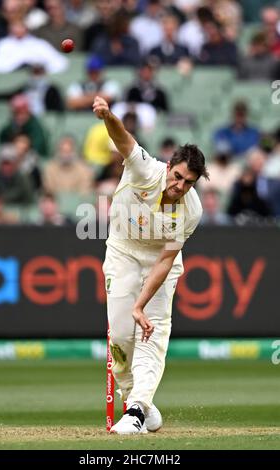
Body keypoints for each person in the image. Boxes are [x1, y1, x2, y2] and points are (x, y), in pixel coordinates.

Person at [92, 96, 209, 434]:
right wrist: (107, 115)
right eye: (177, 177)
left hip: (160, 263)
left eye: (188, 182)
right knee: (122, 338)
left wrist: (142, 304)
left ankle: (137, 411)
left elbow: (165, 260)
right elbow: (122, 138)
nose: (180, 186)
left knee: (151, 333)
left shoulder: (193, 210)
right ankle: (138, 402)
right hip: (123, 251)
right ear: (168, 165)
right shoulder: (145, 168)